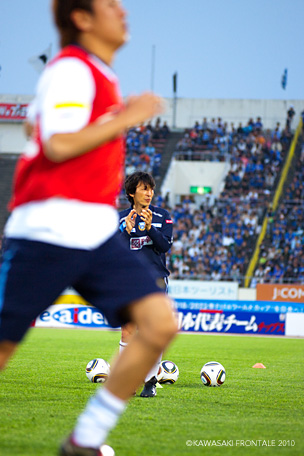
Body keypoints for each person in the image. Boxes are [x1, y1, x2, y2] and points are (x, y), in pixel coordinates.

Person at [0, 1, 178, 456]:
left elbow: (36, 129)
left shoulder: (95, 74)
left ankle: (84, 442)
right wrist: (126, 116)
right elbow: (57, 144)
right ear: (81, 17)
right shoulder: (72, 69)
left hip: (95, 232)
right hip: (48, 229)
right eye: (110, 5)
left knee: (158, 324)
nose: (122, 10)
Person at [118, 171, 173, 397]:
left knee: (152, 331)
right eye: (144, 189)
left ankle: (150, 381)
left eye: (151, 189)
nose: (149, 193)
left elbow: (164, 246)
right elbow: (113, 250)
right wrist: (125, 232)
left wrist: (150, 227)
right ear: (132, 193)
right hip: (128, 280)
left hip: (155, 280)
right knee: (127, 331)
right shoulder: (120, 218)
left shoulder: (162, 215)